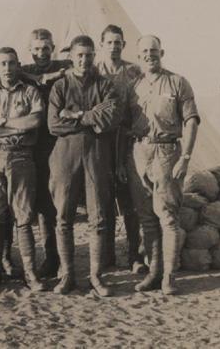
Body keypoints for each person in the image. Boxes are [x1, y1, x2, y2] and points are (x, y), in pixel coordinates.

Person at [124, 35, 199, 295]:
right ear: (138, 56)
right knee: (146, 217)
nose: (149, 55)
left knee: (167, 216)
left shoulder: (177, 82)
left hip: (167, 152)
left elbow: (191, 121)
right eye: (144, 51)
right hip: (139, 152)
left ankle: (169, 277)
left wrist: (185, 157)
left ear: (162, 53)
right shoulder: (133, 87)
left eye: (153, 50)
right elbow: (124, 124)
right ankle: (153, 273)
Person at [47, 35, 120, 296]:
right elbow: (53, 124)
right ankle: (67, 275)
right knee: (63, 216)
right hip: (65, 154)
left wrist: (75, 115)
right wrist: (92, 117)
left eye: (89, 55)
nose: (84, 60)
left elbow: (110, 117)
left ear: (94, 56)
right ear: (71, 56)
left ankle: (96, 277)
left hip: (96, 154)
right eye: (79, 55)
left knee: (98, 217)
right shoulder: (60, 86)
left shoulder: (105, 85)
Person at [0, 47, 46, 292]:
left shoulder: (30, 91)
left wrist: (4, 124)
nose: (7, 68)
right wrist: (17, 128)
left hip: (21, 157)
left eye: (12, 63)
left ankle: (30, 272)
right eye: (3, 64)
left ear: (18, 66)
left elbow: (35, 121)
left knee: (24, 218)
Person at [95, 25, 147, 274]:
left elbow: (142, 104)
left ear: (123, 45)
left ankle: (134, 255)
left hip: (126, 141)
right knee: (103, 201)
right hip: (101, 141)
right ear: (101, 45)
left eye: (118, 42)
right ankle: (107, 255)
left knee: (129, 202)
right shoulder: (94, 71)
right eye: (109, 42)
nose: (114, 47)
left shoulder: (133, 71)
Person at [19, 28, 71, 277]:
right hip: (34, 145)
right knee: (42, 204)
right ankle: (51, 257)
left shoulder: (64, 65)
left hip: (59, 142)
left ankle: (64, 259)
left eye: (46, 48)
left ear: (54, 48)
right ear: (30, 50)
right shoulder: (23, 70)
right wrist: (39, 78)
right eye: (37, 49)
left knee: (61, 201)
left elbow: (77, 67)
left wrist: (55, 74)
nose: (42, 53)